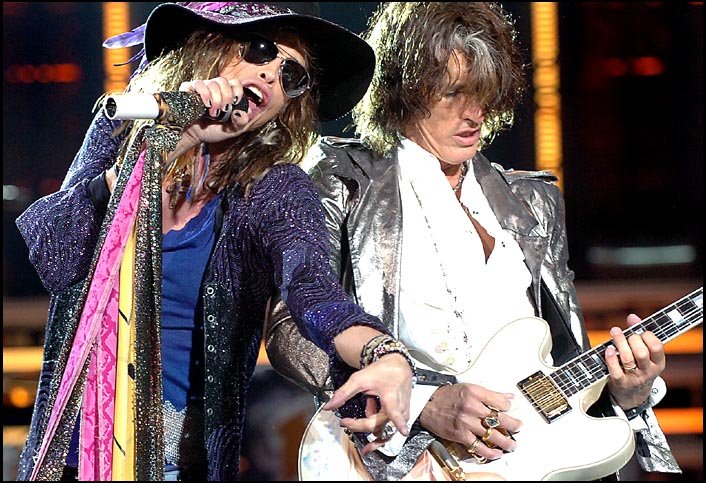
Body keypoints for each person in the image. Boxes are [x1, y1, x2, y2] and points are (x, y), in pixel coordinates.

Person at [266, 2, 682, 481]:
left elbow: (564, 364)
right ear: (404, 89)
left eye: (483, 93)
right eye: (453, 93)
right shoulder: (339, 181)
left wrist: (625, 391)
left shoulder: (533, 201)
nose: (473, 114)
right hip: (398, 460)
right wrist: (422, 401)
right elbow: (290, 328)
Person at [14, 2, 417, 481]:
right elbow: (54, 254)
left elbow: (314, 293)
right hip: (66, 455)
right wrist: (167, 146)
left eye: (291, 75)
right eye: (260, 49)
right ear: (210, 46)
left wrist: (385, 355)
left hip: (176, 466)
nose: (270, 75)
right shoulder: (122, 131)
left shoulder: (275, 189)